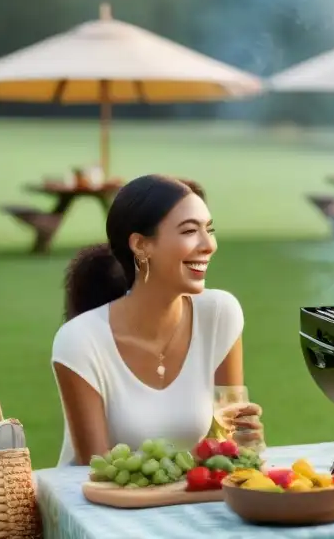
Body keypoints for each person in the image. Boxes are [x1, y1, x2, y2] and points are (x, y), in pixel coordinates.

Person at [51, 175, 262, 466]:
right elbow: (97, 473)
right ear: (141, 245)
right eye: (189, 231)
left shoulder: (219, 314)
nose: (209, 245)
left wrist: (244, 442)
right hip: (94, 506)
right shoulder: (80, 340)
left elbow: (227, 442)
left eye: (209, 230)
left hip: (182, 498)